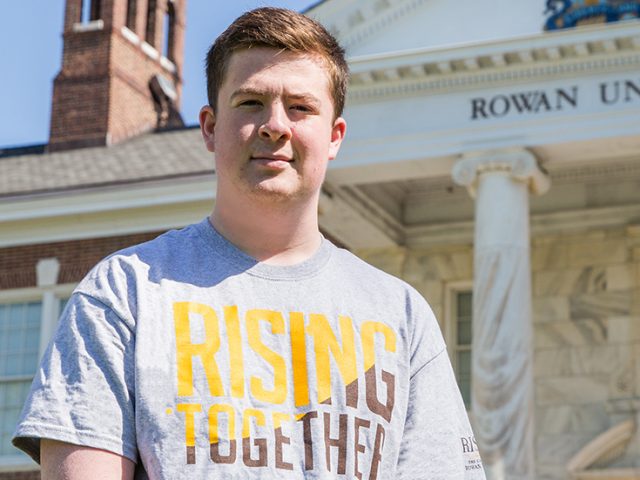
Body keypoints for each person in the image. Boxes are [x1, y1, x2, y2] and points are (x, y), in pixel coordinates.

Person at [13, 7, 484, 479]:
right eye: (251, 102)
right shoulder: (125, 294)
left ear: (335, 136)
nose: (275, 125)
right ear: (210, 128)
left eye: (300, 107)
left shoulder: (400, 315)